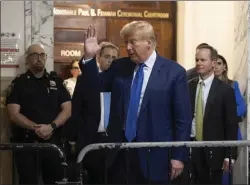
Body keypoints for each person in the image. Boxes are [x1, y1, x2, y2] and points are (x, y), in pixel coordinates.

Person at [80, 22, 192, 183]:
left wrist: (178, 156)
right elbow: (94, 86)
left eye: (132, 42)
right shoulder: (119, 66)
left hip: (156, 157)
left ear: (149, 42)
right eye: (126, 42)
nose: (128, 47)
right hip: (120, 154)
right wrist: (90, 58)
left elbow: (183, 119)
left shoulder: (174, 72)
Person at [6, 44, 71, 184]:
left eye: (42, 55)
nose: (39, 58)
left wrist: (51, 126)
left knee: (55, 181)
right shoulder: (19, 83)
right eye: (35, 55)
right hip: (27, 144)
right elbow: (13, 113)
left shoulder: (57, 82)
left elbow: (67, 109)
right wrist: (37, 128)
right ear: (27, 59)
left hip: (53, 144)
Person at [187, 45, 238, 184]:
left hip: (214, 150)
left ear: (213, 63)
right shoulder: (188, 86)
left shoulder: (225, 90)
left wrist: (230, 155)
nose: (198, 63)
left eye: (203, 60)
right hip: (191, 147)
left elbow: (231, 124)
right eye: (197, 60)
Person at [72, 41, 119, 183]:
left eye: (114, 58)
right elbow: (76, 110)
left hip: (113, 142)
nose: (111, 60)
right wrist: (73, 140)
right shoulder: (85, 80)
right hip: (90, 140)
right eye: (107, 56)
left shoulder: (121, 82)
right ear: (98, 58)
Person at [214, 54, 247, 185]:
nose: (216, 66)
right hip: (212, 132)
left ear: (224, 67)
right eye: (214, 63)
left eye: (220, 63)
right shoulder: (204, 86)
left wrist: (226, 116)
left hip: (231, 132)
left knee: (227, 170)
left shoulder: (233, 85)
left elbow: (242, 107)